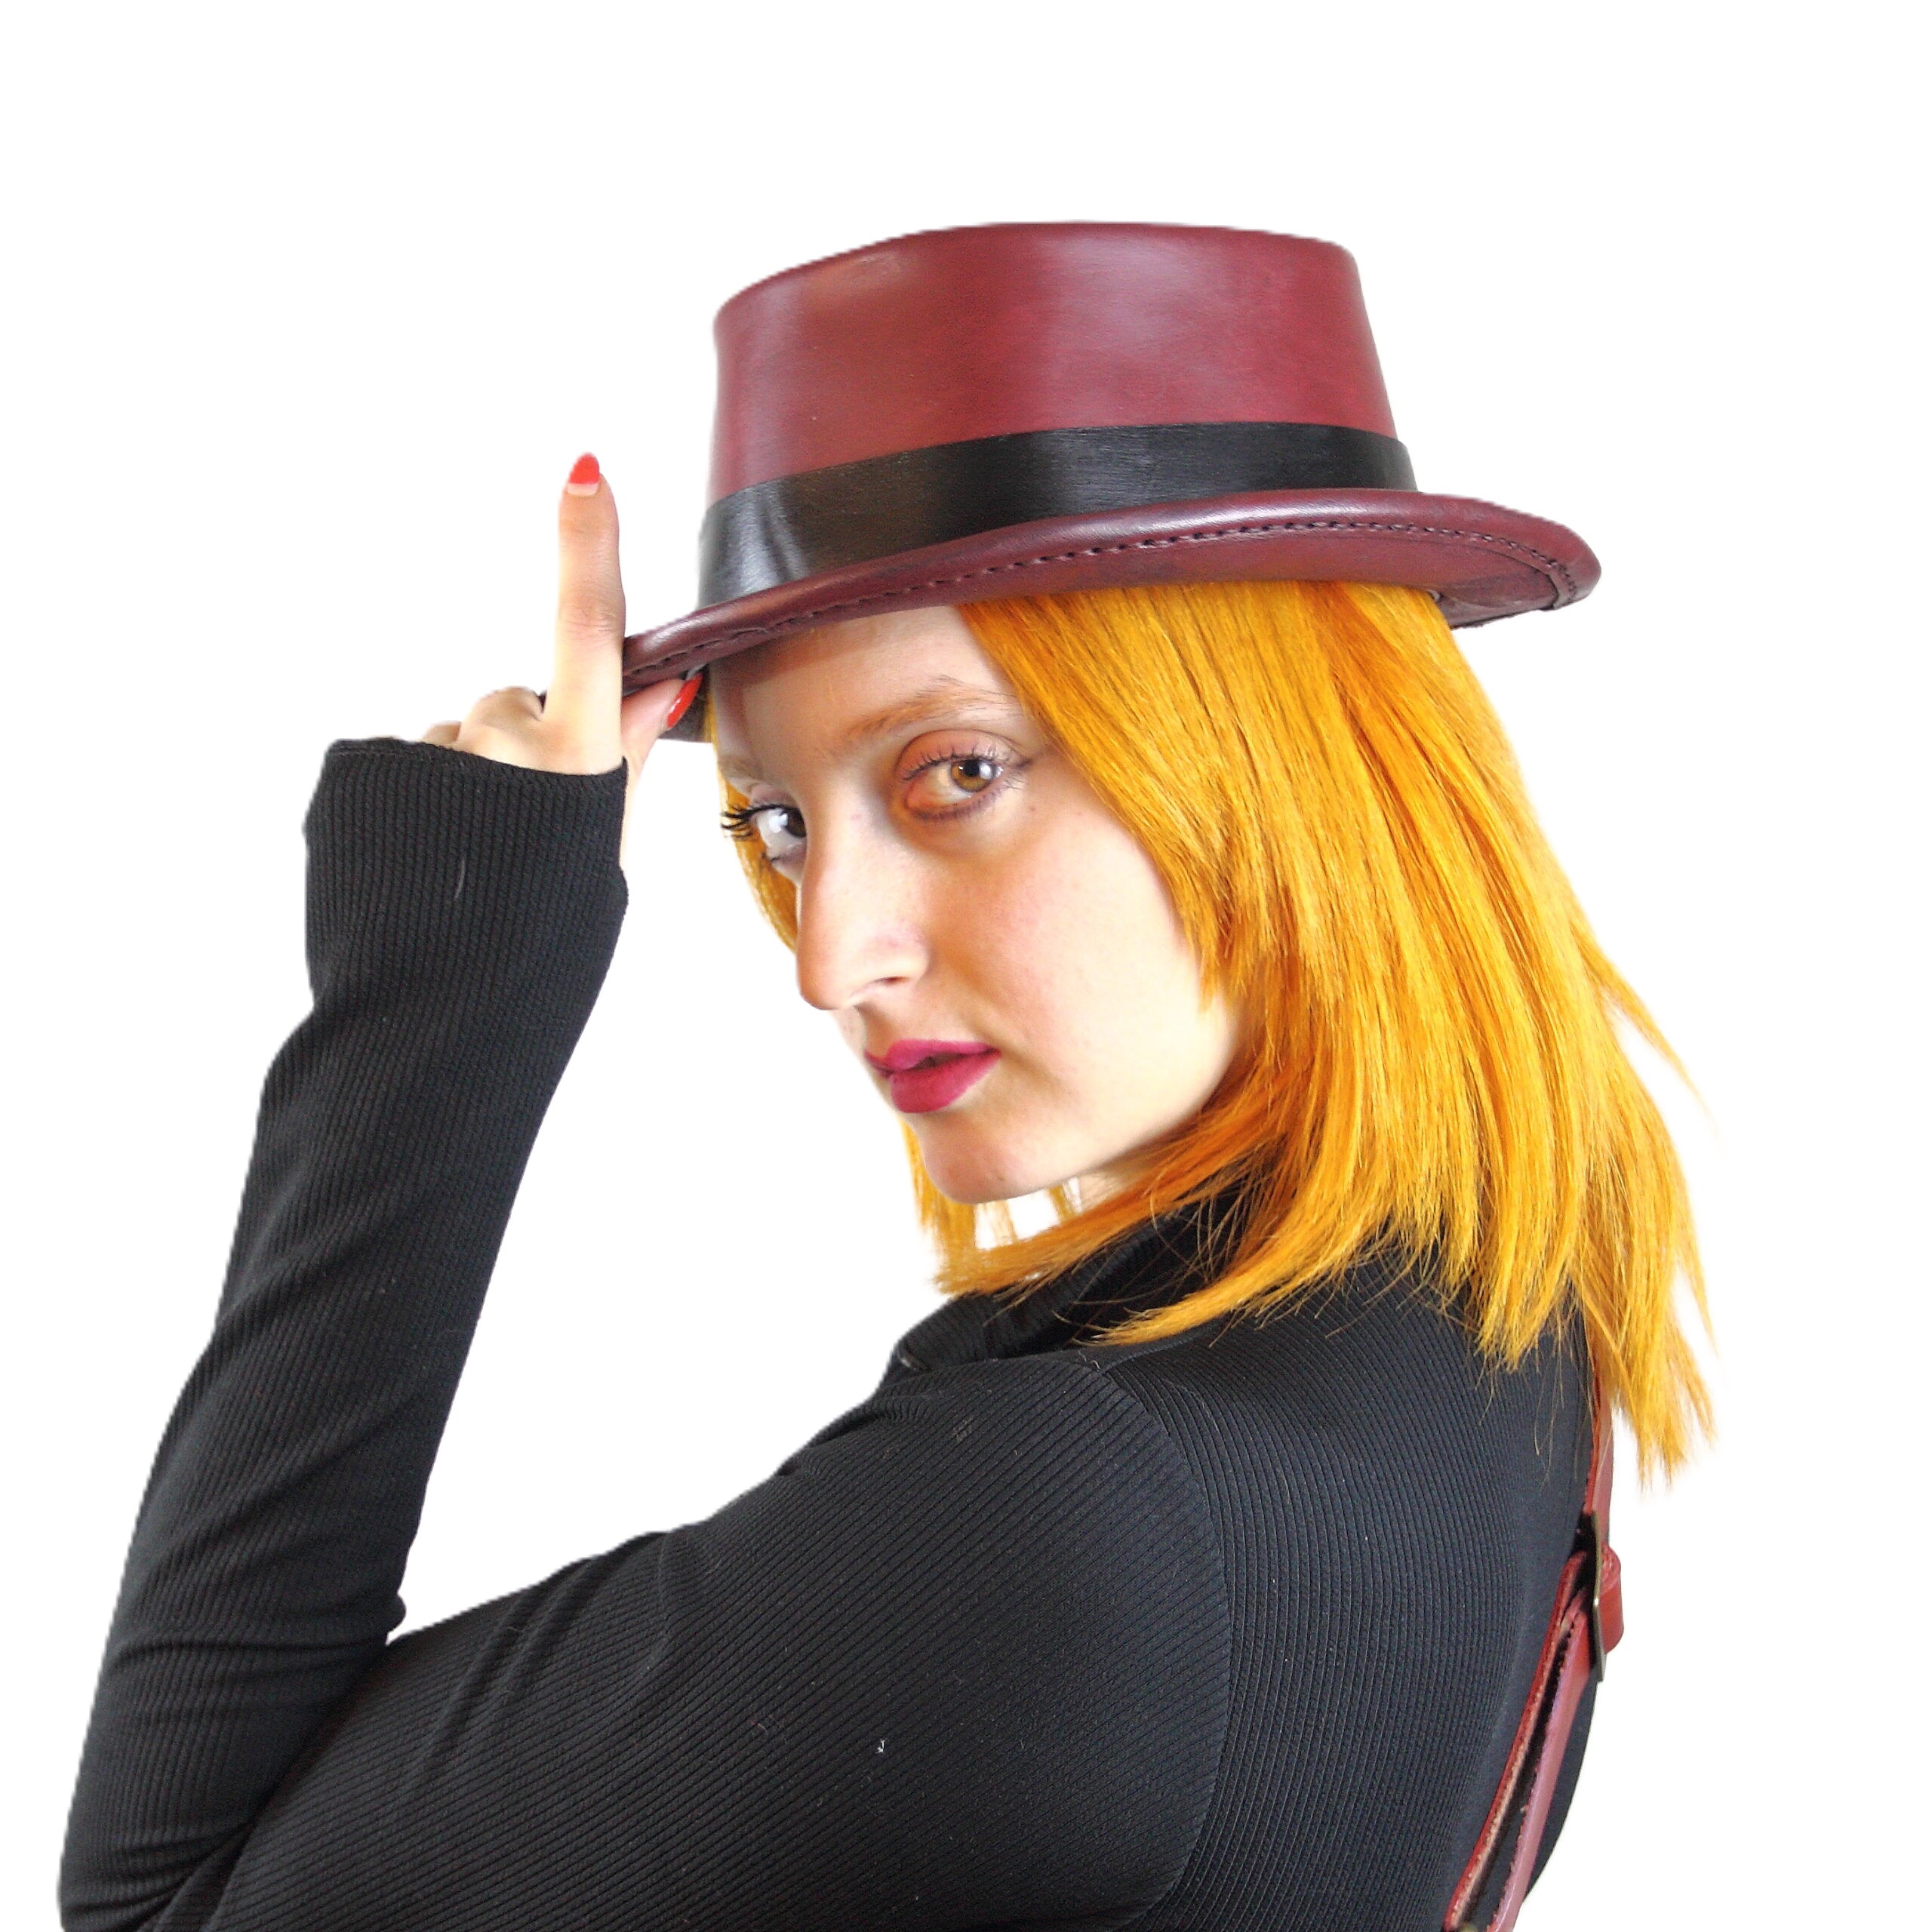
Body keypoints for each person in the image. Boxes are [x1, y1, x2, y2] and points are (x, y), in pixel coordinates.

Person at [60, 223, 1713, 1932]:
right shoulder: (1500, 1321)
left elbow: (164, 1898)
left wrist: (437, 998)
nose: (828, 954)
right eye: (778, 823)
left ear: (1298, 769)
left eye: (957, 773)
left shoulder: (1074, 1529)